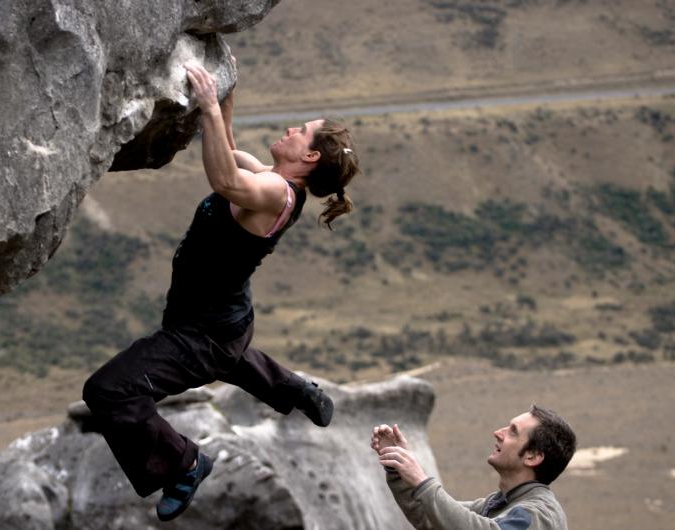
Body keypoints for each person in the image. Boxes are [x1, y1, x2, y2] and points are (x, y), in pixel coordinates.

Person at [82, 60, 361, 522]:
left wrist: (210, 106)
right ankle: (294, 389)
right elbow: (228, 153)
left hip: (203, 332)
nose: (292, 128)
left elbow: (225, 180)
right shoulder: (274, 180)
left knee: (109, 390)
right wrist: (226, 94)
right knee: (227, 353)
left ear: (309, 157)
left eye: (302, 131)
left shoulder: (276, 191)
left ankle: (184, 464)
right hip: (222, 318)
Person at [371, 405, 576, 530]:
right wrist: (398, 465)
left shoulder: (539, 515)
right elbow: (431, 518)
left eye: (513, 432)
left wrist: (422, 481)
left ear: (532, 456)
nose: (498, 433)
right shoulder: (496, 505)